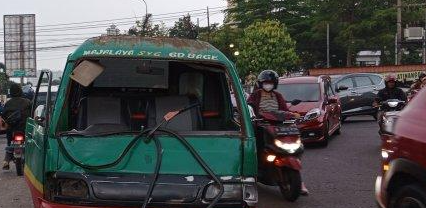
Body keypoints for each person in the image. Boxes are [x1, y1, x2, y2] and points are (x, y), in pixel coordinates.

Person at [247, 70, 309, 195]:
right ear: (261, 83)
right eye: (265, 83)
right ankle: (253, 171)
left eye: (270, 83)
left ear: (274, 84)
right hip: (260, 125)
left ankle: (300, 182)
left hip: (277, 126)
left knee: (297, 147)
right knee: (255, 147)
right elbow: (248, 107)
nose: (267, 85)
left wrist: (292, 115)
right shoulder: (255, 95)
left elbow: (284, 110)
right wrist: (253, 116)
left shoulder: (278, 96)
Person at [2, 83, 31, 170]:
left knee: (10, 142)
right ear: (20, 91)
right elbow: (33, 114)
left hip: (12, 129)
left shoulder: (8, 103)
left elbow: (4, 116)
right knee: (30, 143)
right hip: (25, 128)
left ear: (11, 92)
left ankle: (6, 161)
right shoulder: (28, 102)